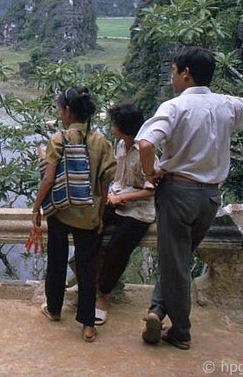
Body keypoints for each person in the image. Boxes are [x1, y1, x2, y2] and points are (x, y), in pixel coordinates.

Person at [136, 46, 243, 350]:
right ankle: (156, 310)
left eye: (174, 70)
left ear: (185, 73)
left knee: (176, 261)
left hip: (177, 193)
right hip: (209, 198)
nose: (172, 75)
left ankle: (180, 331)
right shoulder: (226, 105)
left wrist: (150, 172)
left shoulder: (173, 108)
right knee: (179, 259)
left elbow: (145, 144)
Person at [31, 86, 116, 342]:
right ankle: (88, 325)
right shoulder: (101, 142)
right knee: (87, 268)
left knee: (56, 260)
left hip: (61, 210)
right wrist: (100, 214)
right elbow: (104, 183)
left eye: (60, 109)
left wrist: (36, 208)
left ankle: (54, 309)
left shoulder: (59, 139)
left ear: (67, 111)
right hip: (88, 213)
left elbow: (48, 179)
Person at [94, 102, 155, 326]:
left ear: (124, 127)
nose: (111, 127)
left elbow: (152, 188)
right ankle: (86, 278)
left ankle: (103, 295)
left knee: (116, 248)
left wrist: (122, 198)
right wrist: (112, 194)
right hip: (117, 199)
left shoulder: (146, 150)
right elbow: (119, 179)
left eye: (114, 123)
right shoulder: (121, 145)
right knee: (92, 227)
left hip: (139, 209)